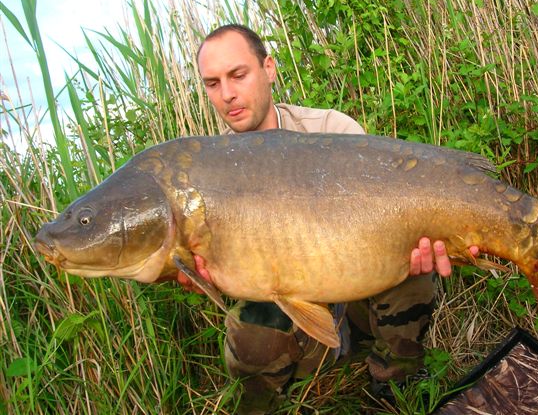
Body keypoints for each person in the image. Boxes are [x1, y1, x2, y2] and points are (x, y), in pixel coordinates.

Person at [178, 24, 479, 413]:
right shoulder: (210, 173)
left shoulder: (331, 130)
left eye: (238, 75)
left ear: (268, 68)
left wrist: (423, 240)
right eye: (212, 83)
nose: (228, 94)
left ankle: (395, 382)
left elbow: (390, 213)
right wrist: (199, 276)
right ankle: (271, 399)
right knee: (250, 330)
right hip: (296, 317)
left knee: (412, 267)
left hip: (358, 299)